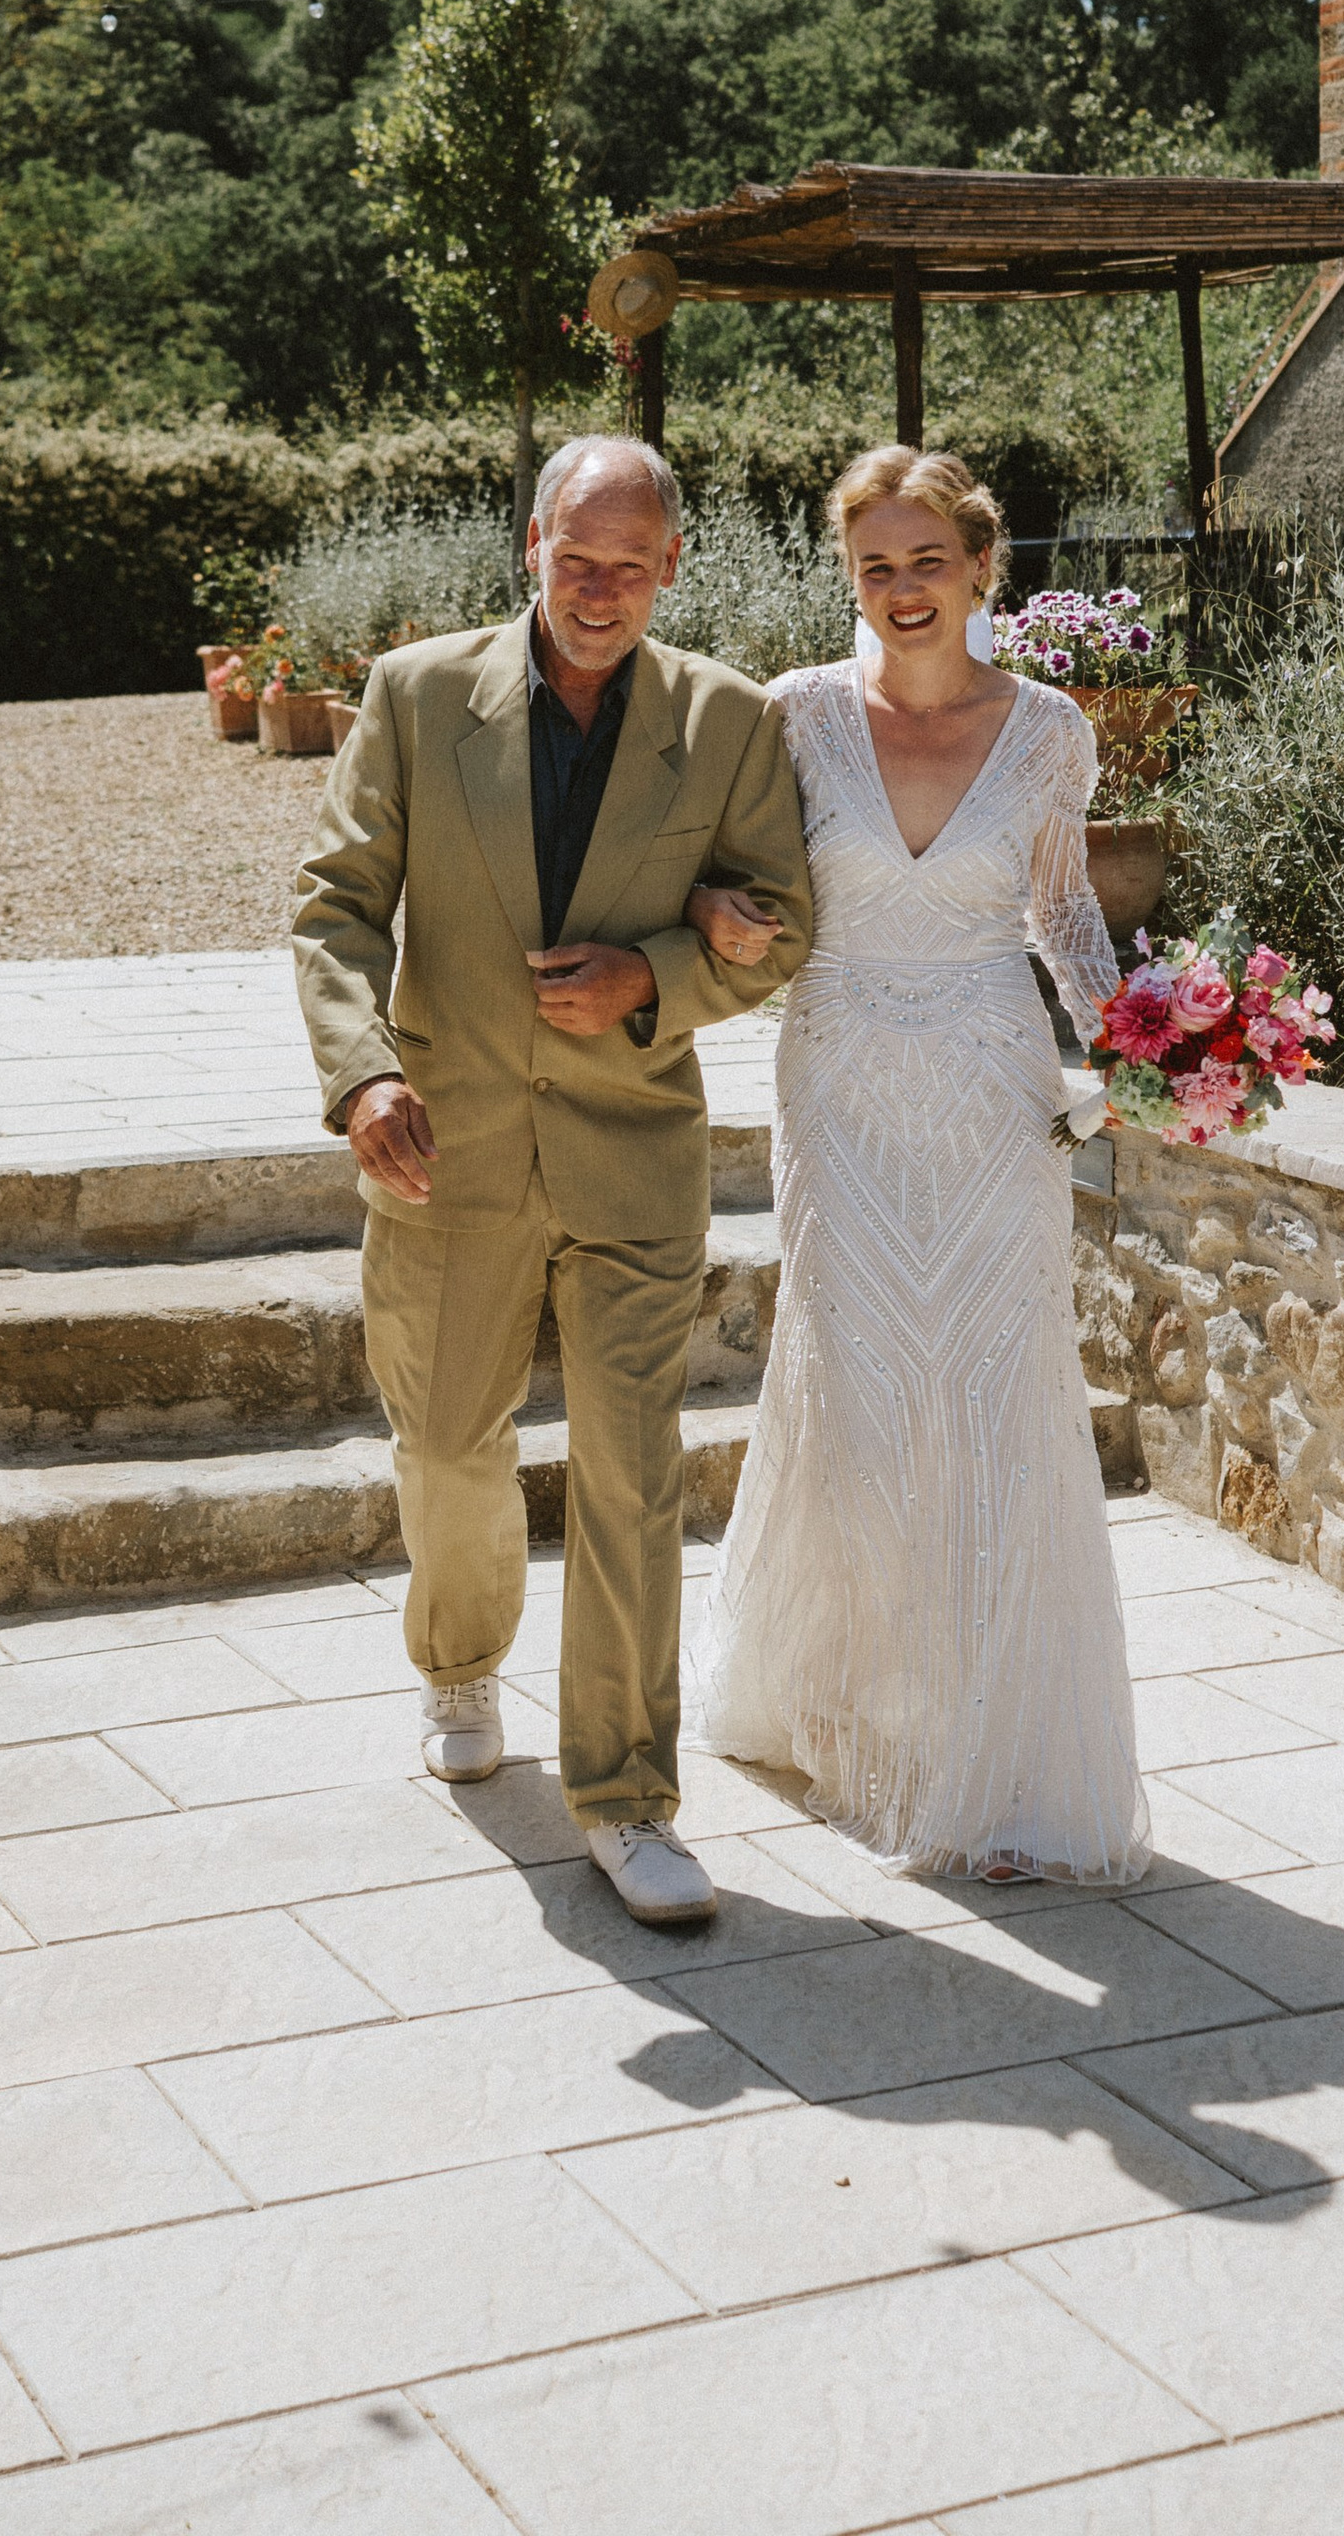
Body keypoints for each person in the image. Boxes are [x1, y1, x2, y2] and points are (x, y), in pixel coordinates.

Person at [291, 436, 811, 1929]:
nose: (600, 593)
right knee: (447, 1442)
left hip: (633, 1156)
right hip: (436, 1147)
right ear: (533, 544)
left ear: (672, 568)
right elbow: (333, 910)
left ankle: (630, 1798)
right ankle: (458, 1665)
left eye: (630, 568)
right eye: (578, 561)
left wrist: (652, 979)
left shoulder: (725, 722)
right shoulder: (412, 693)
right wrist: (362, 1075)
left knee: (634, 1477)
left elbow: (788, 924)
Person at [687, 443, 1148, 1882]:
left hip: (992, 1086)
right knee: (864, 1383)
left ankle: (996, 1751)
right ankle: (839, 1699)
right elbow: (734, 877)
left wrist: (1143, 1044)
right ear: (851, 575)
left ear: (981, 566)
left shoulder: (1051, 728)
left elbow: (1065, 915)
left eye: (925, 561)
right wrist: (711, 911)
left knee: (1000, 1389)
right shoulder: (796, 716)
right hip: (838, 1085)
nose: (901, 589)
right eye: (874, 565)